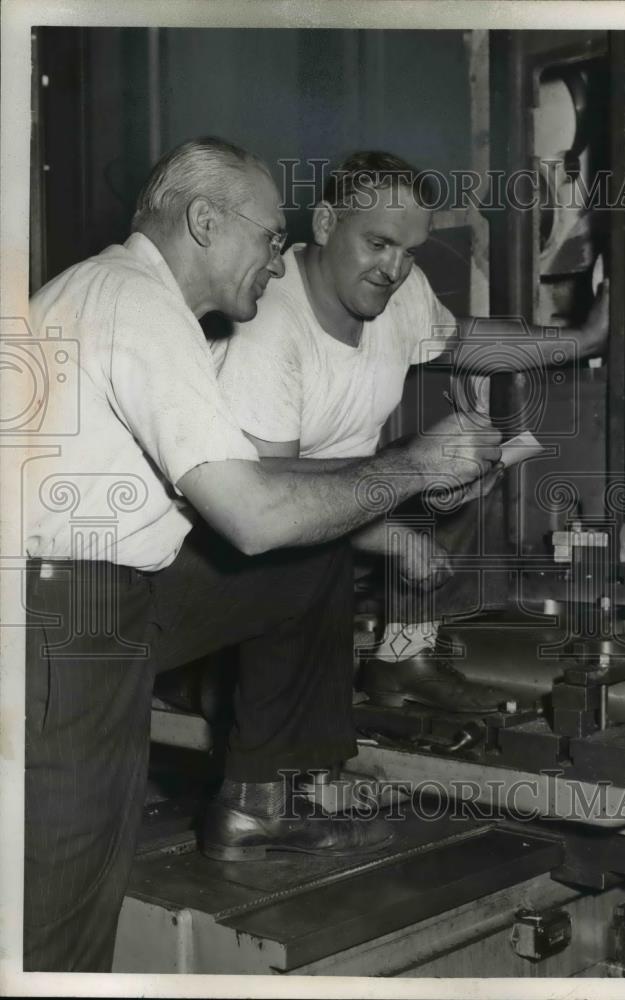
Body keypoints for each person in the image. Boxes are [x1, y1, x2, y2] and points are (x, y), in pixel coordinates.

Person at [23, 137, 501, 972]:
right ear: (206, 221)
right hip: (62, 617)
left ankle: (258, 804)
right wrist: (415, 468)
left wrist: (375, 514)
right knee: (62, 905)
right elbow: (250, 514)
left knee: (303, 562)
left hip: (97, 600)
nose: (278, 266)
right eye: (270, 240)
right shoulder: (135, 304)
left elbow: (253, 502)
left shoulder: (120, 297)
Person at [216, 150, 608, 711]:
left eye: (409, 251)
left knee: (470, 456)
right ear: (326, 224)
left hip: (335, 504)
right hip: (234, 539)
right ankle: (207, 673)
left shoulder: (399, 292)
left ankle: (402, 656)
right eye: (377, 244)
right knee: (282, 703)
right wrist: (394, 537)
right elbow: (261, 497)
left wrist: (585, 339)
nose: (394, 270)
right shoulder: (268, 325)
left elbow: (466, 343)